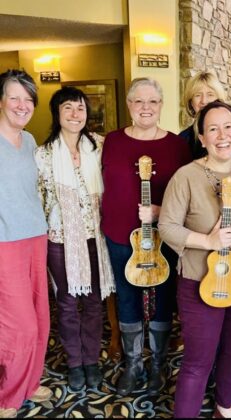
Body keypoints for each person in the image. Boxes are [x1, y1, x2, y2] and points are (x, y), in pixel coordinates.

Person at [159, 100, 231, 418]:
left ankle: (224, 407)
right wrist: (207, 241)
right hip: (198, 281)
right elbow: (166, 227)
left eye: (228, 126)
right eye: (212, 129)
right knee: (198, 360)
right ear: (201, 138)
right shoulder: (185, 176)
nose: (222, 135)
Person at [101, 77, 191, 396]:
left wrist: (160, 210)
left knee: (163, 298)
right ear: (128, 105)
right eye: (138, 101)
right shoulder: (110, 141)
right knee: (127, 298)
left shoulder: (178, 146)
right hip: (119, 235)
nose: (145, 108)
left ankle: (158, 365)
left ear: (161, 105)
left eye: (152, 101)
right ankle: (133, 362)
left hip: (163, 237)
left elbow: (189, 193)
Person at [35, 86, 115, 392]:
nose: (74, 114)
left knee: (93, 302)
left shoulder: (100, 146)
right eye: (67, 107)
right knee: (67, 303)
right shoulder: (42, 155)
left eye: (80, 108)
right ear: (57, 113)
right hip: (60, 239)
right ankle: (74, 363)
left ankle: (91, 360)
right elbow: (38, 200)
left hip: (95, 236)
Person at [0, 69, 52, 418]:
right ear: (1, 101)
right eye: (14, 97)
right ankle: (8, 395)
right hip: (5, 242)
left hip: (36, 235)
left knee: (40, 317)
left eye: (28, 99)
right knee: (19, 325)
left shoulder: (31, 141)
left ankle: (29, 382)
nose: (22, 105)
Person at [180, 70, 231, 159]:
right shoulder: (183, 139)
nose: (204, 101)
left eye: (210, 94)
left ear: (219, 98)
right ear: (191, 102)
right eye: (197, 95)